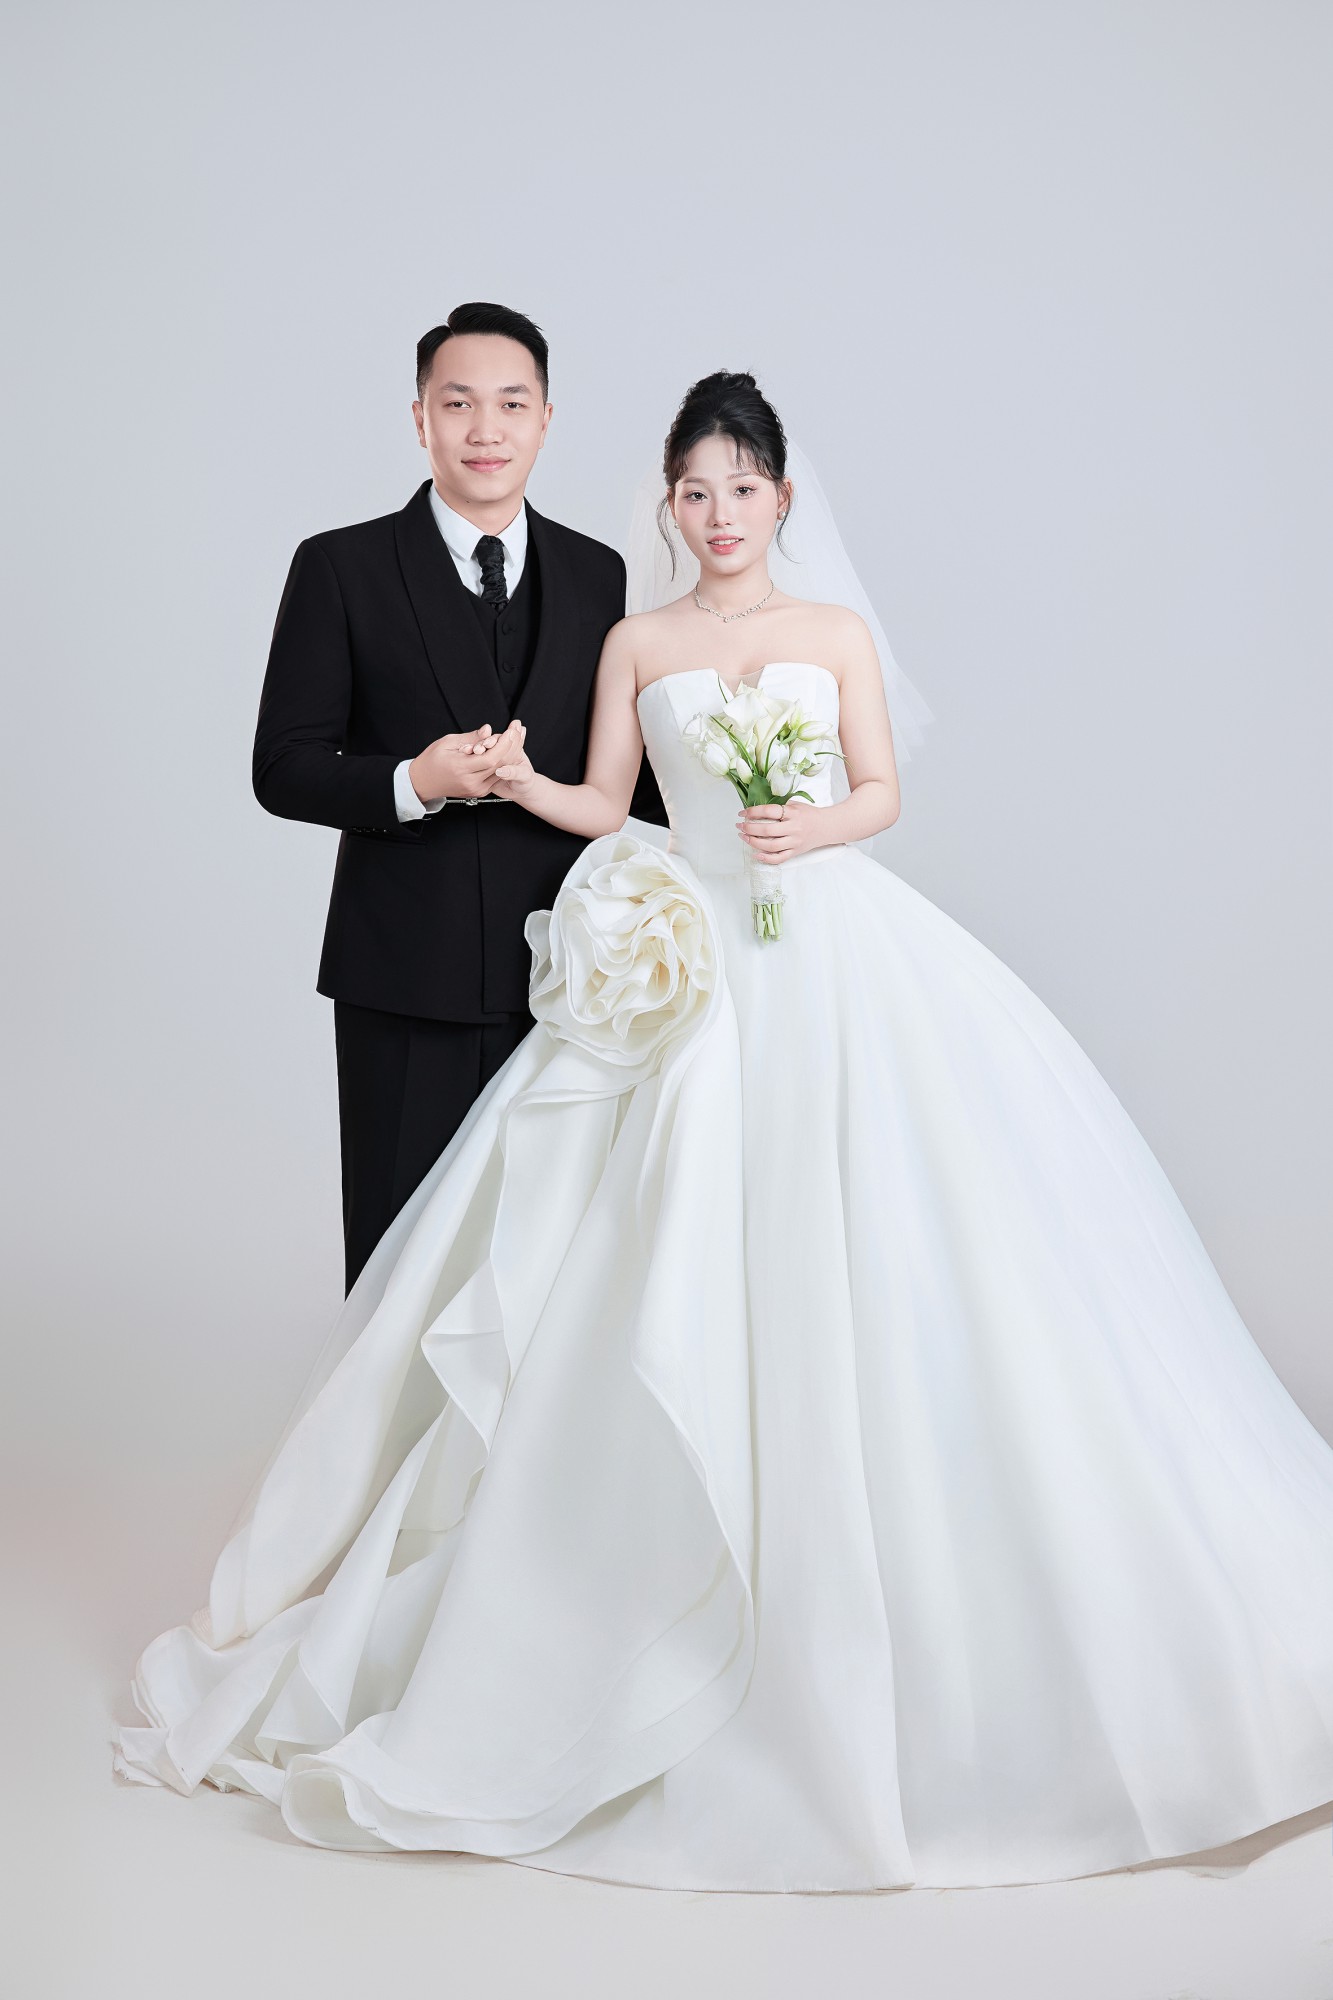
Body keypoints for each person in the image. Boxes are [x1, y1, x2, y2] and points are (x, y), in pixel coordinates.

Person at [114, 372, 1333, 1894]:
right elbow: (605, 801)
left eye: (741, 489)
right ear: (670, 503)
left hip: (833, 949)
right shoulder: (637, 639)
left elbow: (880, 788)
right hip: (698, 957)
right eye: (693, 491)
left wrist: (809, 825)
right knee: (656, 1245)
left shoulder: (834, 635)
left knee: (905, 1243)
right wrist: (510, 776)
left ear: (782, 499)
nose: (717, 513)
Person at [251, 301, 665, 1291]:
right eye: (458, 403)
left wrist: (745, 769)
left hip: (569, 973)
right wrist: (412, 783)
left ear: (545, 420)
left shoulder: (597, 573)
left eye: (511, 404)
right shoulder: (340, 566)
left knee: (552, 1270)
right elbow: (282, 765)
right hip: (403, 971)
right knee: (400, 1260)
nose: (486, 429)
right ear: (420, 418)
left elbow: (623, 771)